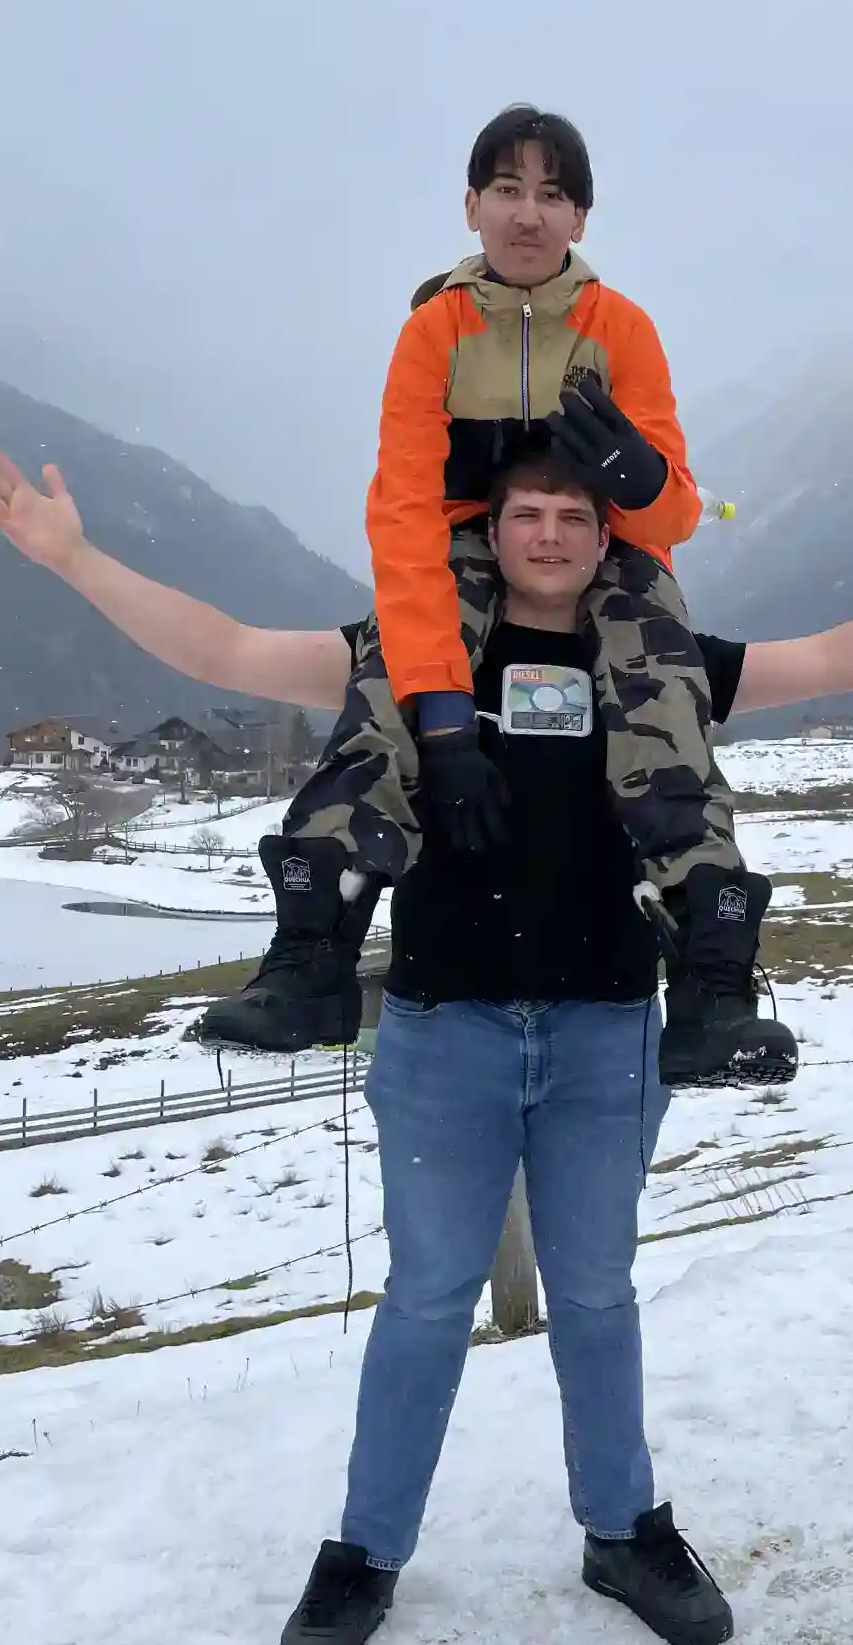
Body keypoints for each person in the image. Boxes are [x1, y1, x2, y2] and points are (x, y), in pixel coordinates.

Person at [0, 437, 853, 1645]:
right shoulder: (418, 648)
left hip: (610, 1032)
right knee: (428, 1300)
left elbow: (831, 658)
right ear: (488, 531)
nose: (548, 534)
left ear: (609, 539)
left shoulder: (657, 663)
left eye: (573, 516)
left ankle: (624, 1532)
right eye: (525, 514)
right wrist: (73, 559)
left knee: (598, 1294)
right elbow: (223, 648)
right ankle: (364, 1557)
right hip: (448, 1033)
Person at [196, 104, 793, 1091]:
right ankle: (312, 953)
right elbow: (401, 518)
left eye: (553, 193)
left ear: (582, 218)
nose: (529, 213)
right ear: (471, 206)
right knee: (390, 665)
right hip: (464, 540)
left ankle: (711, 981)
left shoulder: (622, 329)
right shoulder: (435, 332)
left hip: (598, 541)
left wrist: (637, 480)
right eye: (508, 190)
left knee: (663, 668)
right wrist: (442, 722)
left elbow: (674, 514)